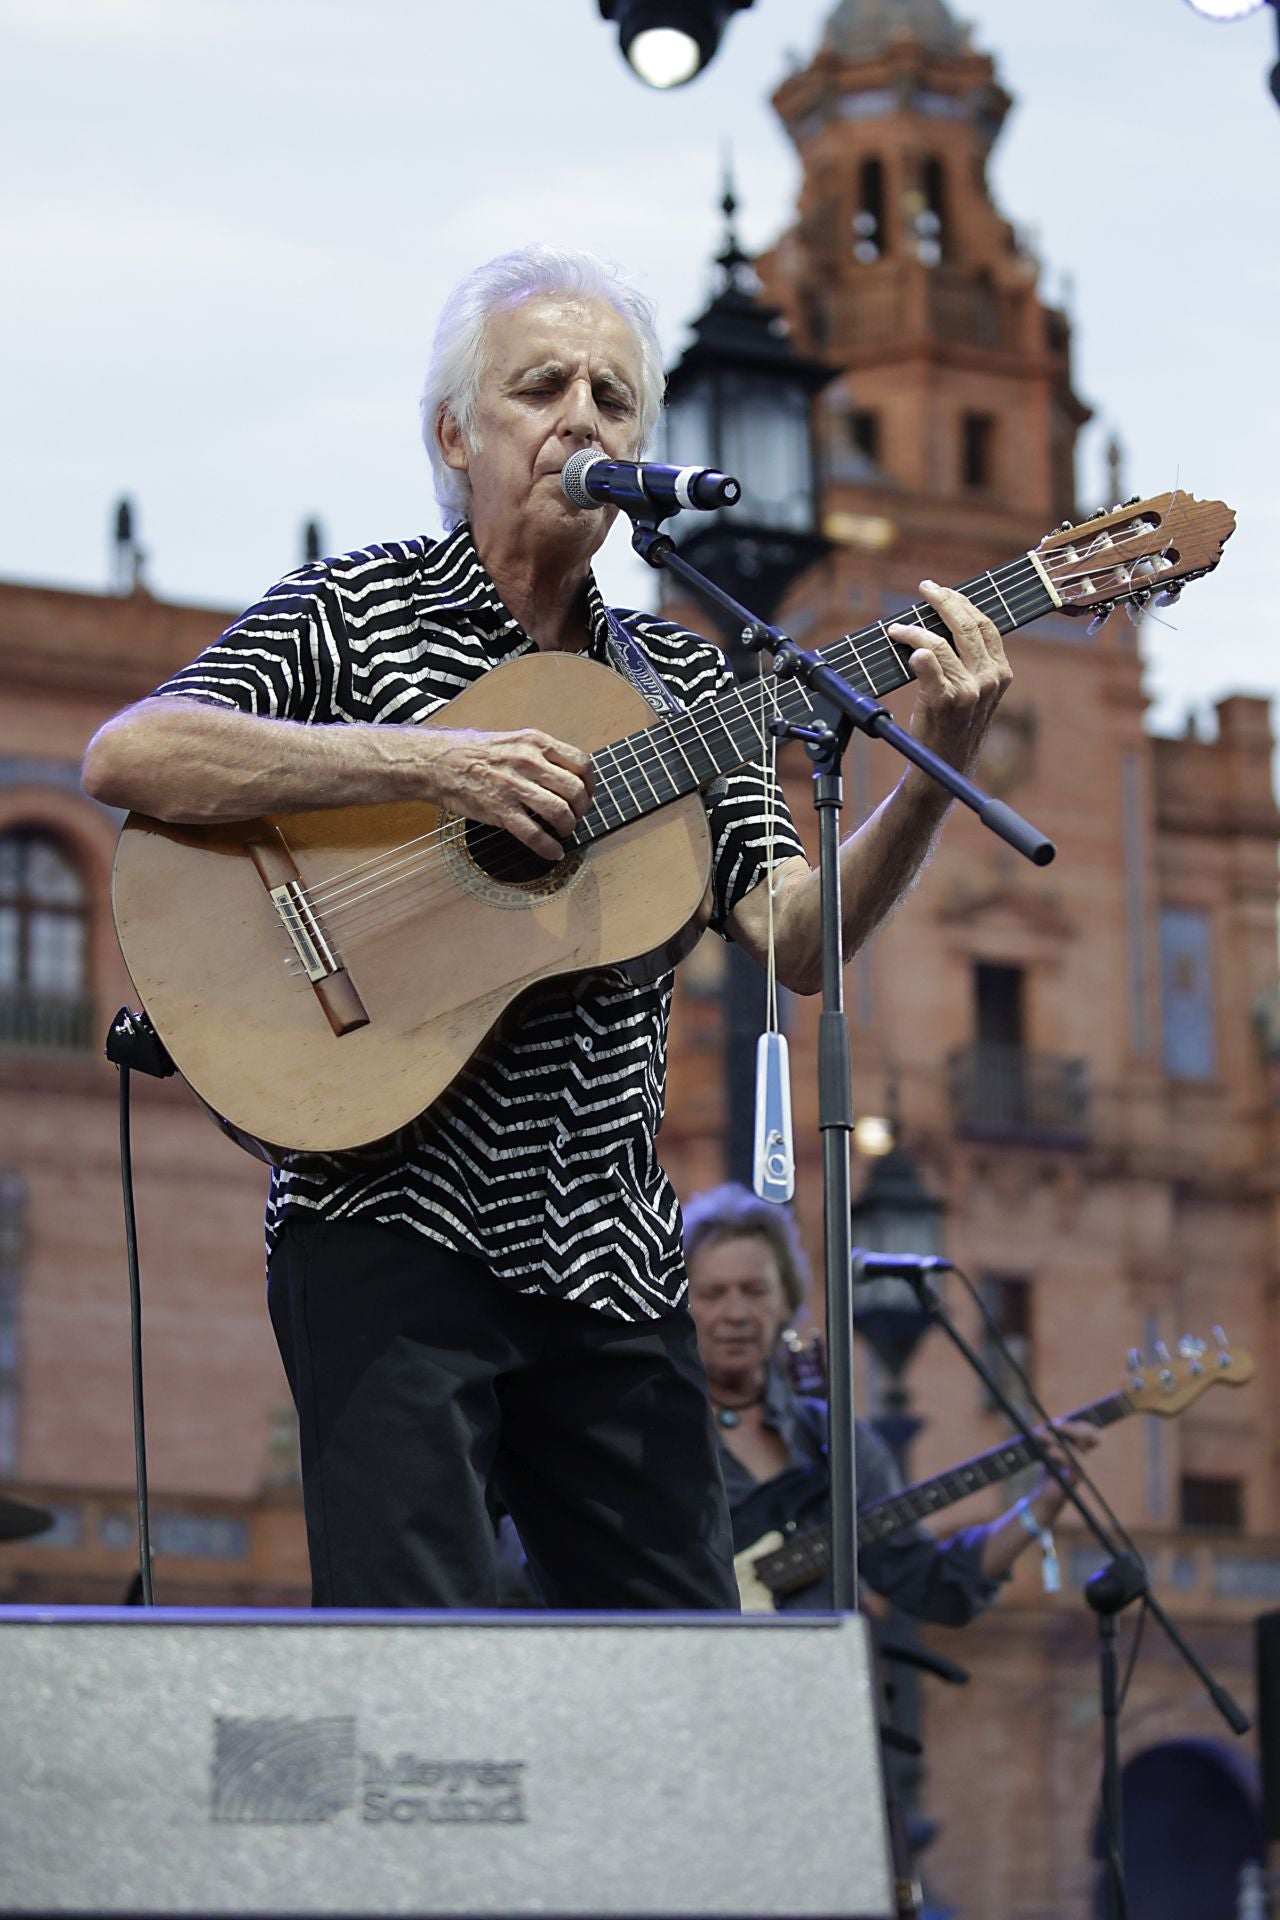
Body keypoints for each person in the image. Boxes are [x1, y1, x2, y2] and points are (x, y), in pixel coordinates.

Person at [81, 245, 1012, 1613]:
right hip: (385, 1215)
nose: (585, 416)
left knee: (681, 1681)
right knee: (420, 1668)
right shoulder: (356, 609)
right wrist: (426, 768)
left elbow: (801, 938)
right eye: (543, 386)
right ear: (458, 434)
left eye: (616, 398)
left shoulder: (688, 681)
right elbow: (132, 755)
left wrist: (933, 767)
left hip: (610, 1251)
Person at [683, 1182, 1099, 1619]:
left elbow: (932, 1583)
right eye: (712, 1294)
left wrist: (1039, 1508)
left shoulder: (836, 1439)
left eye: (754, 1291)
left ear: (787, 1298)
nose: (735, 1313)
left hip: (819, 1680)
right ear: (682, 1307)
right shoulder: (655, 1436)